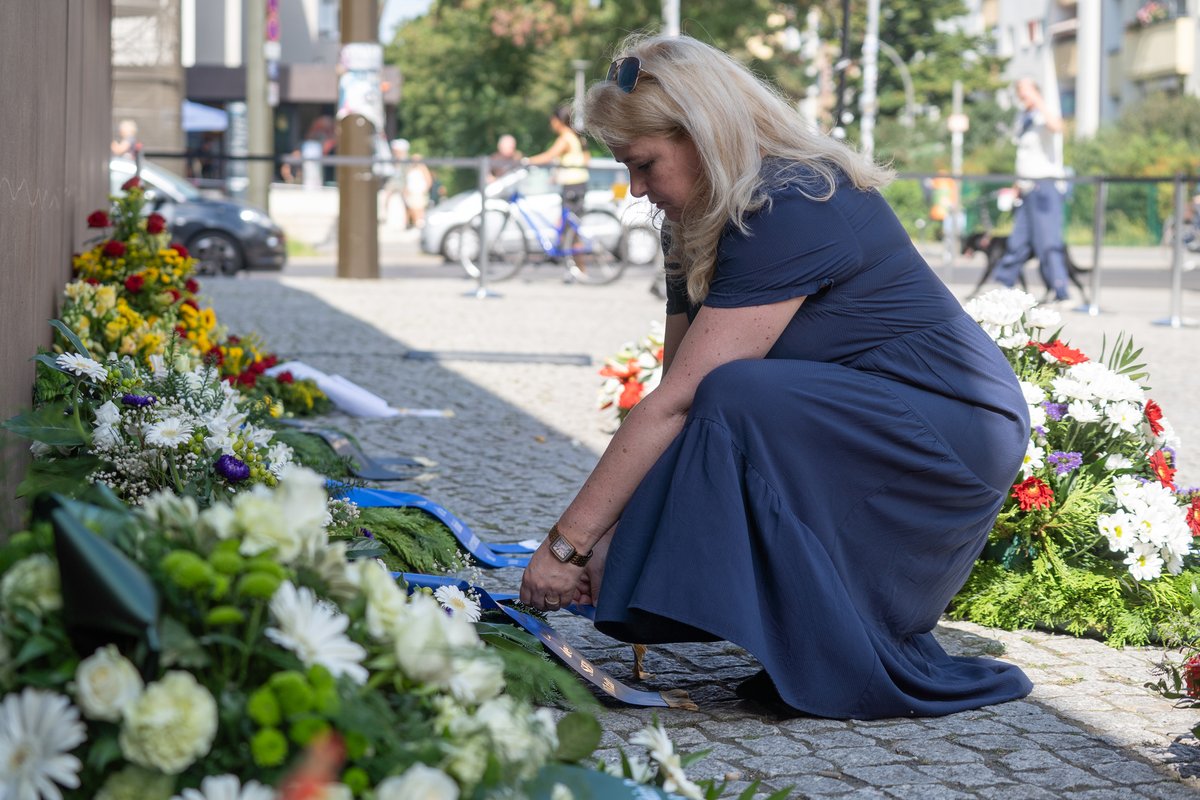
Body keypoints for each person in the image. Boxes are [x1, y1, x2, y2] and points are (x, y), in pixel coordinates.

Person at [518, 34, 1033, 720]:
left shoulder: (791, 204)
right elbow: (679, 396)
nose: (636, 189)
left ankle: (838, 650)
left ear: (701, 135)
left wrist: (566, 545)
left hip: (949, 430)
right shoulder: (696, 219)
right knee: (726, 399)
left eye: (643, 164)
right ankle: (806, 640)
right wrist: (616, 530)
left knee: (735, 393)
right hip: (864, 416)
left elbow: (684, 402)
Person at [989, 78, 1071, 301]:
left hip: (1044, 185)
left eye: (1026, 89)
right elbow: (1024, 157)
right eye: (1020, 90)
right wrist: (1016, 186)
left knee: (1047, 242)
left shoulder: (1045, 112)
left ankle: (1061, 290)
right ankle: (1004, 282)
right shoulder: (1022, 117)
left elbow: (1057, 127)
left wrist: (1038, 101)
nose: (1022, 94)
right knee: (1018, 240)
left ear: (1036, 91)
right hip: (1026, 187)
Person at [402, 151, 435, 229]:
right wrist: (406, 190)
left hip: (419, 192)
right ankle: (416, 224)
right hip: (411, 192)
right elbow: (407, 181)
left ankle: (419, 224)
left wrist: (425, 190)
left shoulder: (423, 168)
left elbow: (429, 180)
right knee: (412, 208)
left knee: (419, 208)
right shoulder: (410, 169)